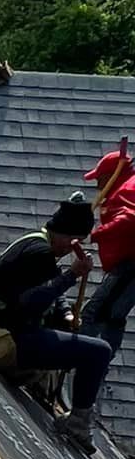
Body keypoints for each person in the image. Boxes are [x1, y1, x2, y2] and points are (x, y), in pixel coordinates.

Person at [0, 196, 109, 451]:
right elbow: (31, 303)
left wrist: (66, 314)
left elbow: (50, 289)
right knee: (100, 351)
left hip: (6, 322)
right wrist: (72, 274)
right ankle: (78, 423)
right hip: (17, 337)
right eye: (74, 243)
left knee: (72, 335)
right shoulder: (40, 255)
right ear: (64, 234)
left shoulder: (35, 242)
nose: (72, 250)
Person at [82, 146, 135, 351]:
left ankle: (83, 361)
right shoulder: (127, 186)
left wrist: (95, 235)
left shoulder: (128, 189)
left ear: (112, 176)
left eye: (100, 179)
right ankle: (98, 364)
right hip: (126, 264)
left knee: (94, 315)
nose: (98, 186)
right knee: (113, 316)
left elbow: (129, 219)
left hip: (130, 265)